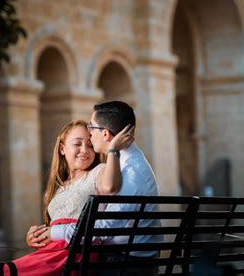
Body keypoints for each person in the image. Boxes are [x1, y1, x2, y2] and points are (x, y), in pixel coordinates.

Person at [0, 119, 134, 276]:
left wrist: (113, 150)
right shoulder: (58, 187)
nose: (84, 150)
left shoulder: (98, 171)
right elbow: (54, 226)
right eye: (77, 144)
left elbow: (110, 187)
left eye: (90, 145)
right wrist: (36, 236)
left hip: (73, 252)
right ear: (62, 149)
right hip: (51, 251)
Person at [49, 101, 162, 275]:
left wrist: (54, 232)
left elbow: (104, 228)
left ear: (105, 134)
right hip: (121, 260)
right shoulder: (126, 163)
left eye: (91, 127)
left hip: (123, 264)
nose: (89, 132)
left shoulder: (131, 173)